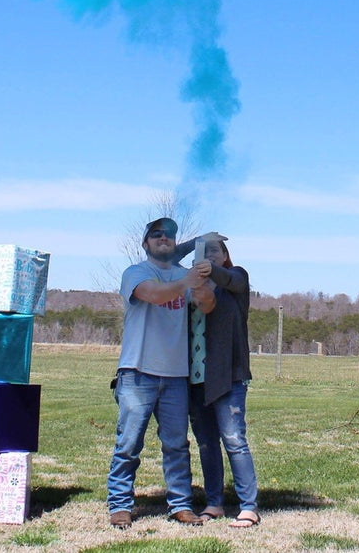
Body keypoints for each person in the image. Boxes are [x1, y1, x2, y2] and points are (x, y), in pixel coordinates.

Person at [106, 217, 218, 529]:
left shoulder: (186, 275)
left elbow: (206, 305)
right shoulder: (137, 273)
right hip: (137, 373)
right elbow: (155, 295)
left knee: (177, 445)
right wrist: (188, 280)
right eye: (156, 235)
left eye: (169, 235)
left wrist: (206, 281)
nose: (163, 239)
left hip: (175, 377)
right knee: (128, 445)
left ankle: (180, 504)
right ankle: (120, 505)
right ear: (146, 243)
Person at [188, 238, 260, 528]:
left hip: (229, 376)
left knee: (234, 440)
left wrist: (211, 270)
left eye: (214, 251)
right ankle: (214, 503)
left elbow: (232, 278)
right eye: (202, 253)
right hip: (194, 377)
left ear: (226, 255)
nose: (208, 257)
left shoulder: (236, 279)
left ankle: (248, 507)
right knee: (206, 443)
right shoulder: (190, 286)